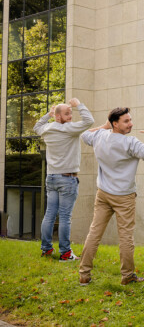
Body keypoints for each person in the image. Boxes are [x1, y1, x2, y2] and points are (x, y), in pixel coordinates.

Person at [78, 107, 144, 286]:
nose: (130, 124)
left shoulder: (100, 136)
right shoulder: (130, 143)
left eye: (130, 120)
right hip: (124, 197)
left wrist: (104, 126)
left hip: (103, 194)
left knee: (94, 233)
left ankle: (84, 274)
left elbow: (84, 135)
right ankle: (128, 275)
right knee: (126, 237)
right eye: (126, 121)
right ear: (115, 124)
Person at [34, 98, 94, 261]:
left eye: (71, 113)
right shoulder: (69, 129)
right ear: (59, 117)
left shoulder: (47, 128)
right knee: (65, 217)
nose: (71, 116)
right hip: (67, 179)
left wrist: (49, 114)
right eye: (67, 113)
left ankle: (46, 249)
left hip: (51, 178)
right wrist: (79, 105)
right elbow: (89, 120)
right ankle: (65, 253)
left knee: (49, 215)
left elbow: (37, 127)